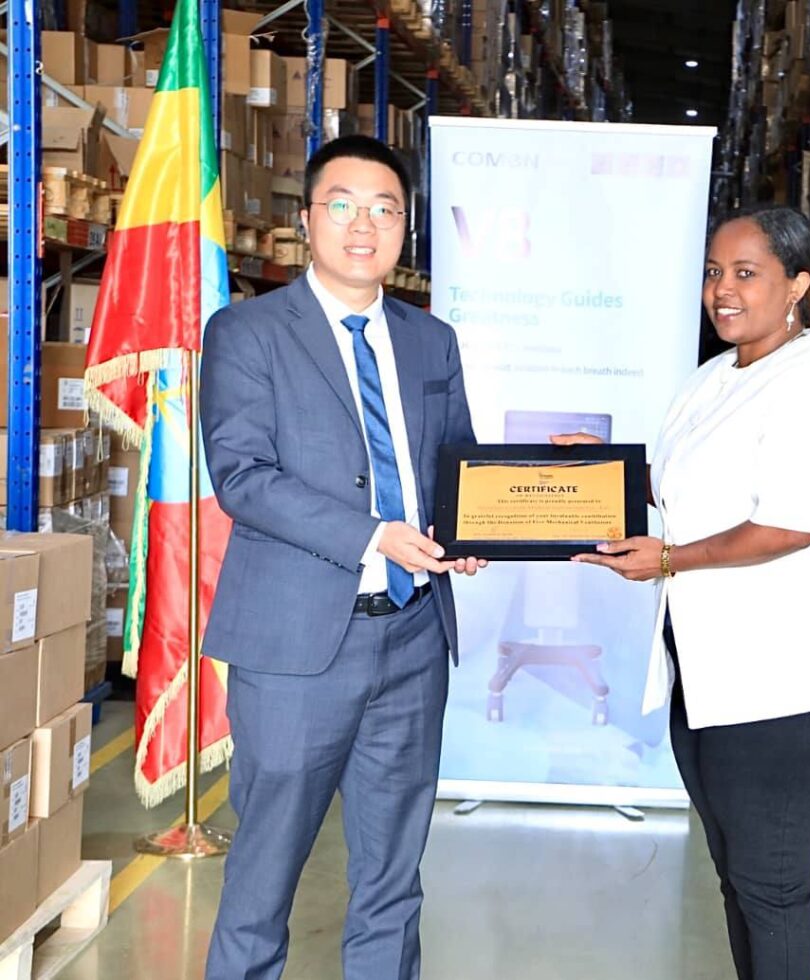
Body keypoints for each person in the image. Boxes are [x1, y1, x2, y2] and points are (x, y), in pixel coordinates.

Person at [559, 205, 810, 979]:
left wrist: (669, 559)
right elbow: (693, 483)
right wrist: (605, 468)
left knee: (770, 886)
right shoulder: (720, 373)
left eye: (746, 273)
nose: (723, 290)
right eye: (715, 272)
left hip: (790, 678)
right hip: (715, 671)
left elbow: (789, 526)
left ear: (797, 285)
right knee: (739, 877)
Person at [200, 134, 483, 980]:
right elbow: (243, 476)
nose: (365, 226)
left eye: (385, 210)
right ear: (307, 220)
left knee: (393, 880)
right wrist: (372, 535)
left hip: (413, 637)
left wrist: (471, 533)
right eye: (344, 206)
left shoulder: (432, 341)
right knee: (262, 880)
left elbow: (456, 464)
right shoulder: (248, 332)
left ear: (405, 227)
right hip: (296, 648)